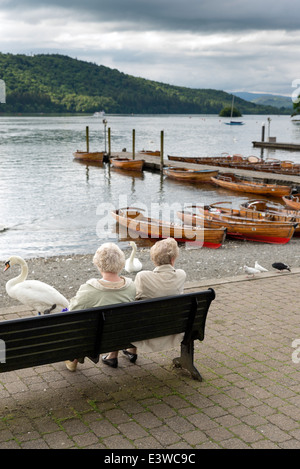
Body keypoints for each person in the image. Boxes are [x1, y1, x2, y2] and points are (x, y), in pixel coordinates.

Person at [65, 242, 136, 371]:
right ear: (121, 264)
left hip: (95, 341)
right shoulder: (131, 286)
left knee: (77, 323)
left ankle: (73, 359)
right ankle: (112, 355)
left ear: (98, 264)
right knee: (115, 319)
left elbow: (72, 311)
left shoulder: (89, 290)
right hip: (121, 335)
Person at [130, 237, 186, 355]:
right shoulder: (181, 275)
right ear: (173, 259)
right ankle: (131, 350)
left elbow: (133, 300)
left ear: (154, 260)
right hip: (173, 331)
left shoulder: (143, 277)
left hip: (147, 334)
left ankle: (130, 350)